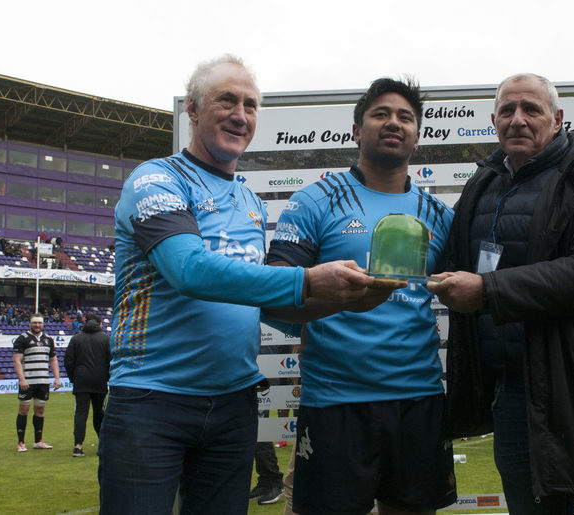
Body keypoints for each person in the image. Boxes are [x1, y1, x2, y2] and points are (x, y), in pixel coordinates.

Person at [98, 54, 380, 515]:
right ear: (191, 109)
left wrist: (342, 298)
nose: (240, 115)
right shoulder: (156, 177)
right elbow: (188, 269)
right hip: (153, 399)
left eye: (250, 105)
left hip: (233, 404)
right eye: (226, 100)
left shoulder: (249, 199)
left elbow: (264, 304)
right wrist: (308, 279)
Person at [427, 73, 574, 514]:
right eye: (506, 110)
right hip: (515, 396)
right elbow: (445, 258)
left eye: (531, 110)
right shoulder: (482, 185)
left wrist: (488, 289)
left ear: (557, 119)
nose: (517, 120)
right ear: (493, 120)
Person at [264, 77, 456, 515]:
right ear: (356, 131)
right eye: (381, 114)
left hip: (418, 399)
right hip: (335, 403)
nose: (394, 122)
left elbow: (473, 287)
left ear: (418, 134)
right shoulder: (315, 201)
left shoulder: (440, 215)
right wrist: (340, 298)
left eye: (406, 117)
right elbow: (273, 297)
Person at [64, 312, 111, 457]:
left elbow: (68, 361)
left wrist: (74, 378)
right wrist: (107, 377)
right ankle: (103, 445)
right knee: (100, 413)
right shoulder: (106, 339)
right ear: (100, 324)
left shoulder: (76, 338)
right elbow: (111, 360)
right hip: (99, 381)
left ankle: (78, 446)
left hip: (81, 381)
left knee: (81, 413)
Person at [13, 314, 60, 452]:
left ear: (43, 324)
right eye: (35, 323)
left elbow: (53, 360)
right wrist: (22, 379)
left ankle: (38, 441)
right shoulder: (22, 339)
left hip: (43, 381)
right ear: (30, 324)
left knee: (40, 411)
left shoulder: (48, 339)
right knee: (24, 410)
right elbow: (17, 360)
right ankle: (21, 443)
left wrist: (56, 378)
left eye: (39, 323)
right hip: (28, 381)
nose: (37, 325)